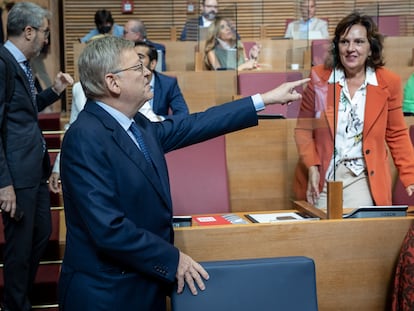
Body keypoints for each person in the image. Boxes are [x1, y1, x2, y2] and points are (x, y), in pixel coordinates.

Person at [57, 35, 308, 311]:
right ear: (113, 82)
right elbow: (109, 229)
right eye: (138, 67)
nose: (148, 73)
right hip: (105, 294)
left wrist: (265, 99)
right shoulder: (85, 137)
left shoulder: (137, 125)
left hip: (141, 286)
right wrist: (173, 259)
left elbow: (194, 124)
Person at [293, 11, 414, 209]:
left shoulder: (388, 82)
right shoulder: (319, 77)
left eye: (359, 42)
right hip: (323, 173)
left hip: (362, 175)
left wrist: (409, 174)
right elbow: (303, 129)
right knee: (320, 234)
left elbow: (397, 133)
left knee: (358, 231)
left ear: (370, 47)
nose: (351, 49)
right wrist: (312, 167)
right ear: (336, 46)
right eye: (344, 42)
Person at [0, 2, 73, 310]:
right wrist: (4, 184)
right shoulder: (3, 64)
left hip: (34, 169)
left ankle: (19, 300)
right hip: (16, 176)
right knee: (19, 248)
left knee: (41, 233)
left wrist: (53, 91)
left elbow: (24, 113)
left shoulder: (22, 65)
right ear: (28, 32)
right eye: (44, 32)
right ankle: (16, 304)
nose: (46, 40)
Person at [134, 41, 189, 116]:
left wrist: (159, 121)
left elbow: (183, 114)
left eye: (140, 57)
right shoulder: (124, 82)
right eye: (133, 57)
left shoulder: (168, 84)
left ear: (153, 64)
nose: (135, 61)